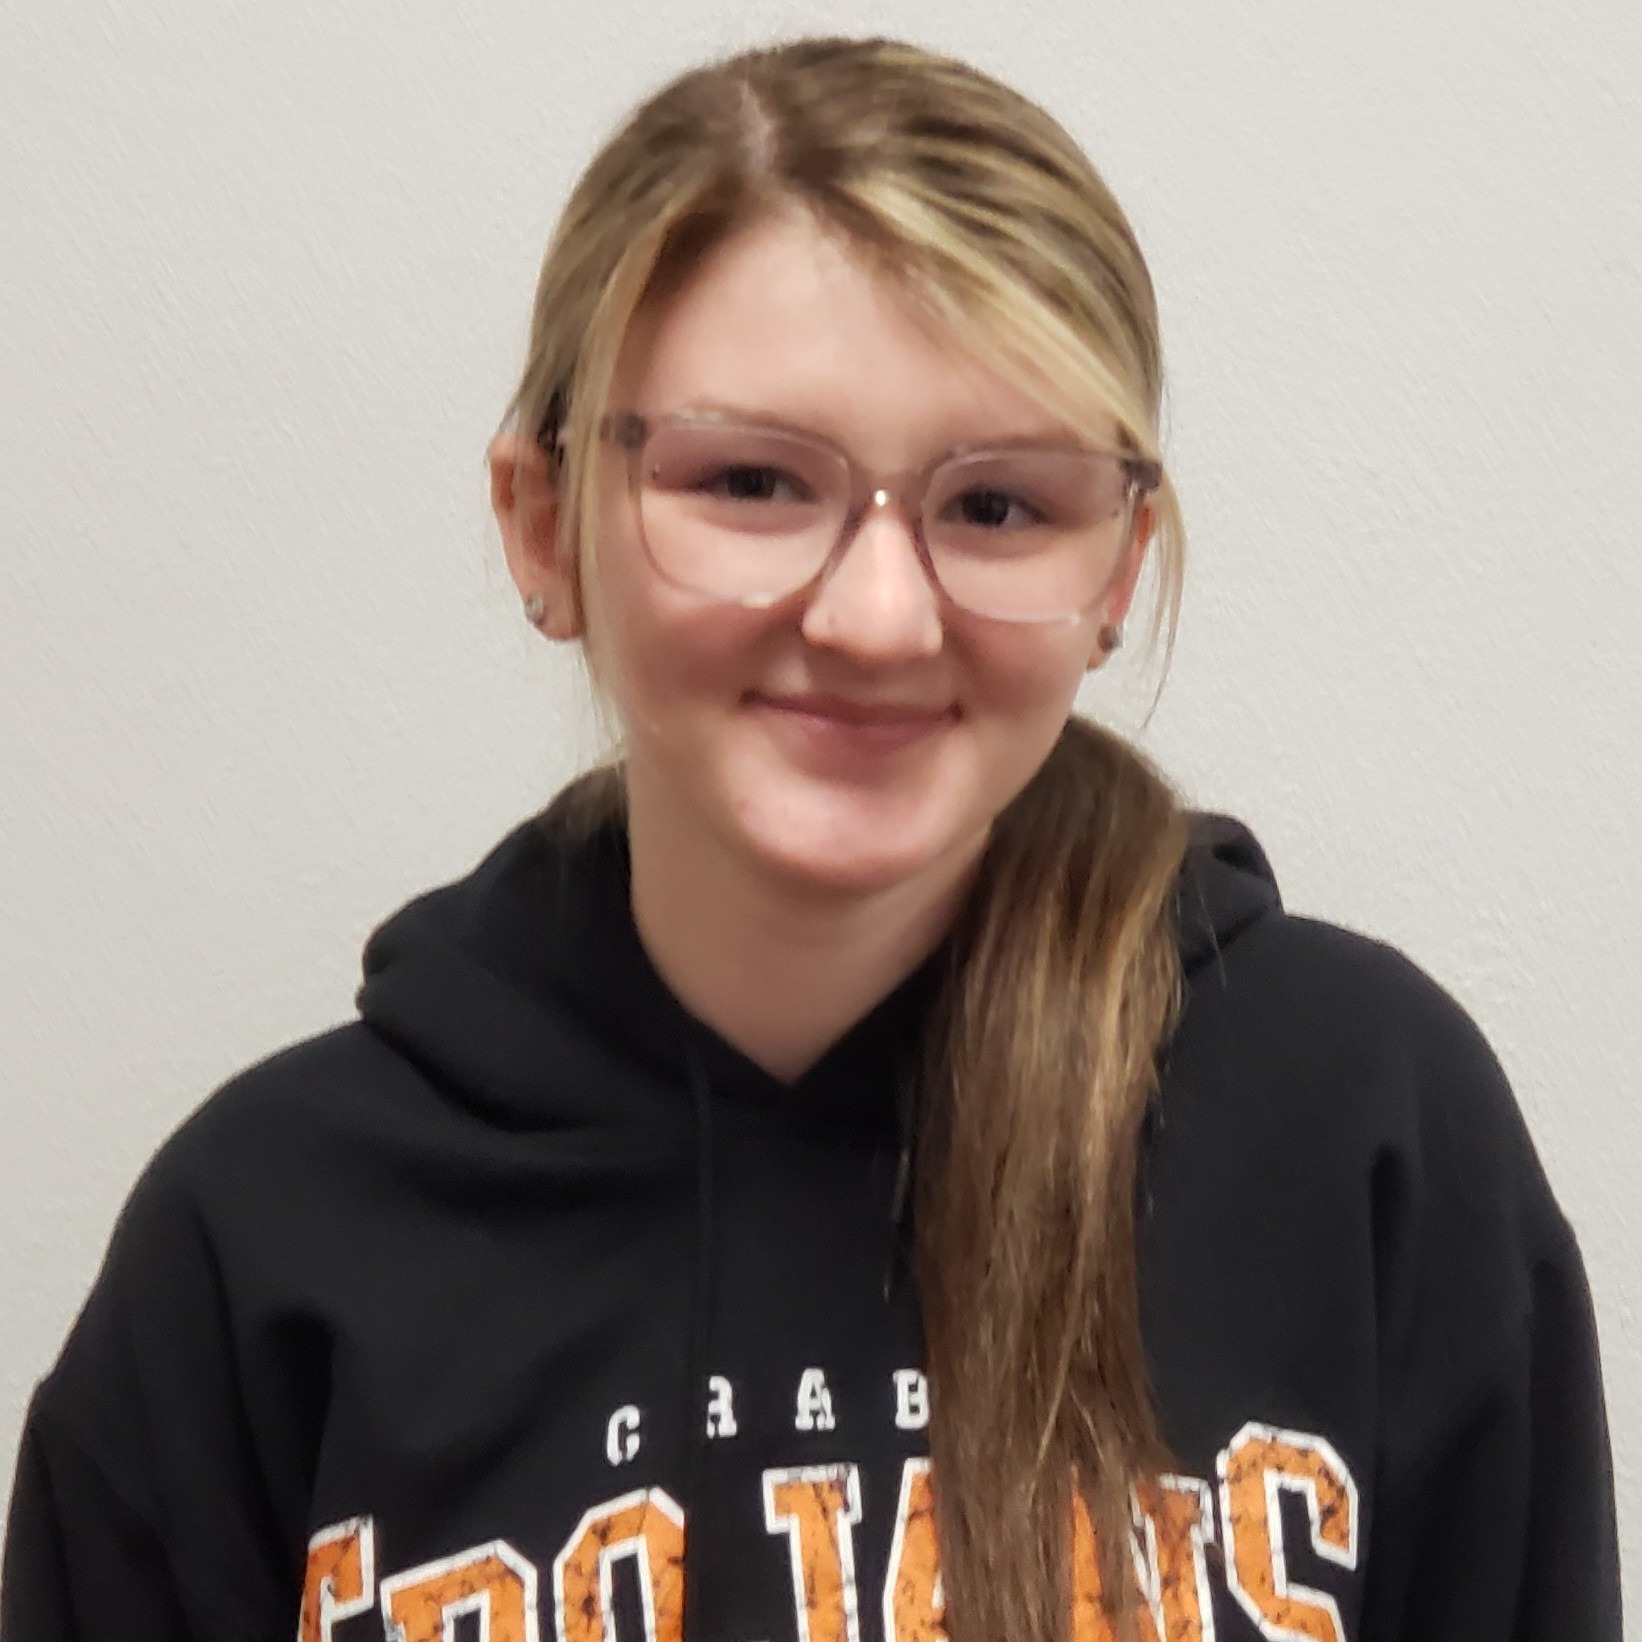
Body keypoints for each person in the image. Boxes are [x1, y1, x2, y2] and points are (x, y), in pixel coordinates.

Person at [0, 35, 1620, 1642]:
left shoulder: (1360, 1135)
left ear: (1116, 567)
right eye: (755, 480)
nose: (872, 617)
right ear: (540, 522)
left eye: (997, 506)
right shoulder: (264, 1240)